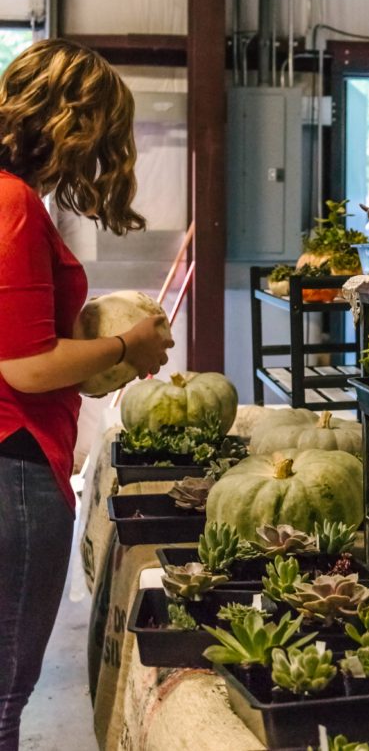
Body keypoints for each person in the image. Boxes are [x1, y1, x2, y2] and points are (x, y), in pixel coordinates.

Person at [0, 38, 173, 750]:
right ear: (71, 121)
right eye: (101, 135)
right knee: (4, 700)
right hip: (12, 469)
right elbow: (27, 365)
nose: (101, 156)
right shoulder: (13, 205)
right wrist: (128, 347)